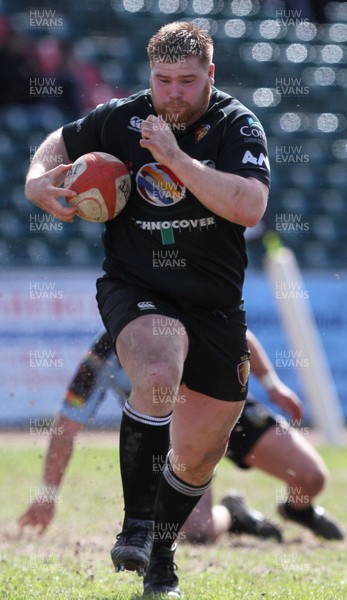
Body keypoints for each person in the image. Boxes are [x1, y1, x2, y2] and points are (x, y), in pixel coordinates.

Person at [25, 21, 270, 597]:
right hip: (137, 287)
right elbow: (57, 143)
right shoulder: (121, 117)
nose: (173, 94)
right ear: (150, 76)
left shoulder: (237, 126)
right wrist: (38, 182)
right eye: (163, 81)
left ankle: (161, 554)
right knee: (157, 371)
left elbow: (250, 206)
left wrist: (174, 156)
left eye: (187, 81)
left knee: (198, 459)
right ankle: (135, 527)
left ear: (210, 74)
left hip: (214, 306)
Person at [18, 330, 343, 543]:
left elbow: (239, 333)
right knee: (198, 532)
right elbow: (66, 427)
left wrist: (272, 385)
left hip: (230, 410)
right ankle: (233, 514)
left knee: (312, 477)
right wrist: (47, 495)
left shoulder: (189, 307)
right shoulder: (106, 352)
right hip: (176, 435)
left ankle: (298, 510)